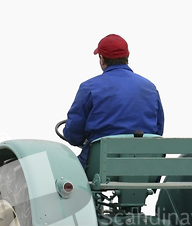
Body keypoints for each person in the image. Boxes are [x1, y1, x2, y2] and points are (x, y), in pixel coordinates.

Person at [63, 34, 164, 167]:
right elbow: (158, 130)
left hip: (100, 166)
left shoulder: (89, 87)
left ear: (102, 59)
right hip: (144, 167)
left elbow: (73, 135)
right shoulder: (150, 87)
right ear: (127, 57)